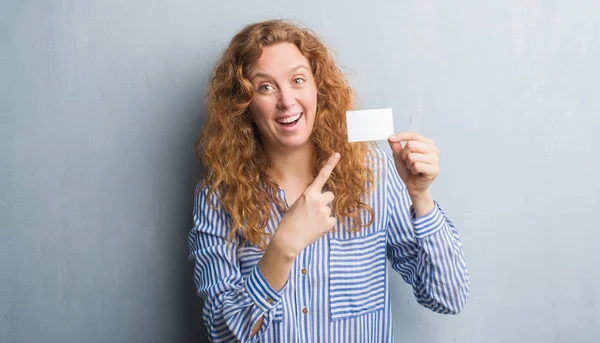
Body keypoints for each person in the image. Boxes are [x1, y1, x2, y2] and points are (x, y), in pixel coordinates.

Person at [188, 19, 470, 343]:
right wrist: (282, 248)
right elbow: (222, 333)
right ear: (244, 103)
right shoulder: (217, 196)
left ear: (317, 86)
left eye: (297, 80)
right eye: (265, 87)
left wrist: (421, 197)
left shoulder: (374, 174)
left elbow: (448, 297)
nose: (286, 101)